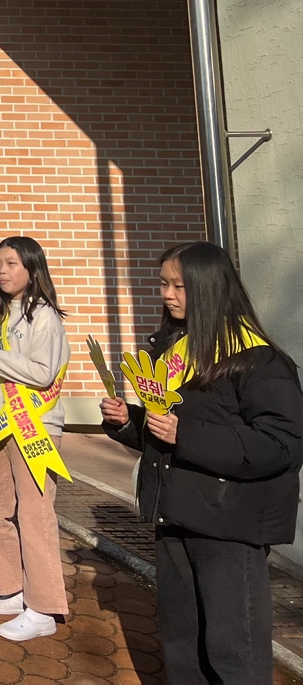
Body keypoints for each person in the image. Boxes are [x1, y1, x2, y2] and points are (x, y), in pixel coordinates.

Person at [101, 241, 303, 684]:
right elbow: (166, 432)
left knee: (234, 646)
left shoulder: (258, 360)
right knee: (182, 637)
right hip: (175, 515)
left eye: (179, 285)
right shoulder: (173, 350)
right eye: (163, 284)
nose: (167, 295)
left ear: (209, 288)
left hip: (228, 524)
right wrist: (128, 422)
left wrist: (185, 435)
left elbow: (282, 443)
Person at [0, 236, 70, 641]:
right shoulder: (0, 316)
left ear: (32, 268)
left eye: (11, 263)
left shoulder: (45, 316)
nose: (2, 271)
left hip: (35, 427)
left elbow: (42, 372)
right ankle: (13, 587)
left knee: (35, 514)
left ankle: (43, 608)